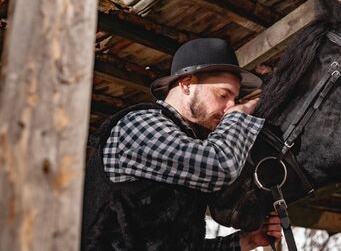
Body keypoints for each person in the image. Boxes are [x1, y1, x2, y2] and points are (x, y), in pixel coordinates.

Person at [82, 38, 282, 250]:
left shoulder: (185, 147)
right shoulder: (139, 124)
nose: (230, 106)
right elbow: (221, 165)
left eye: (235, 99)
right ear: (186, 84)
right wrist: (238, 114)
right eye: (223, 95)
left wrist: (245, 241)